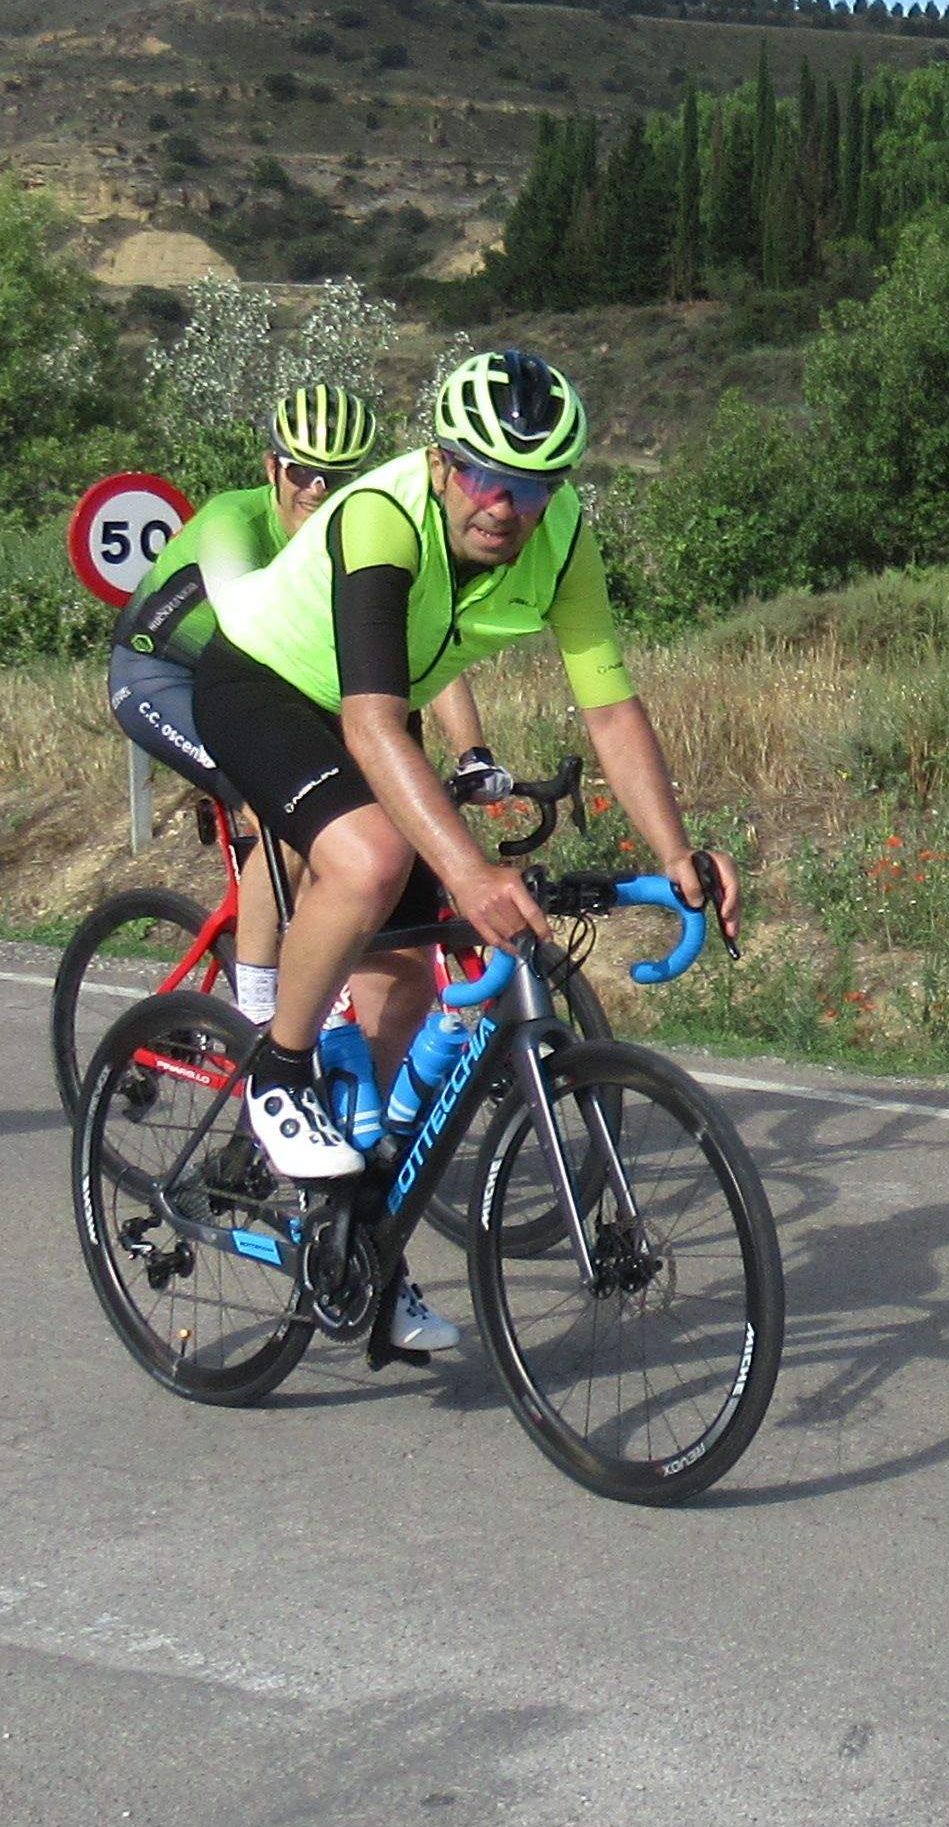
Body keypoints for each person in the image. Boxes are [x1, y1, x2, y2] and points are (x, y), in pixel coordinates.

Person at [188, 344, 737, 1213]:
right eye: (483, 475)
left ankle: (347, 1229)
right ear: (442, 463)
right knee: (370, 860)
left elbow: (610, 710)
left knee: (406, 976)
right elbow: (371, 726)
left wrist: (676, 852)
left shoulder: (561, 543)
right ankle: (279, 1072)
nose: (502, 505)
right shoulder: (382, 515)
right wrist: (468, 872)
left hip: (372, 704)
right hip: (263, 684)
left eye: (532, 486)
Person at [101, 378, 423, 1034]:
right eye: (303, 471)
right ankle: (255, 1005)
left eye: (339, 476)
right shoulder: (232, 522)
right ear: (272, 466)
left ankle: (312, 960)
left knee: (338, 814)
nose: (319, 490)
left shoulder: (361, 531)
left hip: (259, 679)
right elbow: (250, 633)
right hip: (163, 675)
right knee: (282, 807)